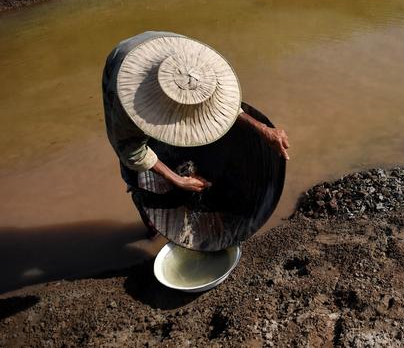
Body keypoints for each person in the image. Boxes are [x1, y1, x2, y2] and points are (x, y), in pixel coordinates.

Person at [102, 31, 289, 237]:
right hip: (123, 65)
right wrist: (177, 180)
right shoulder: (123, 101)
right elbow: (131, 151)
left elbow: (222, 106)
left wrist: (262, 128)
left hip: (166, 51)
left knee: (191, 126)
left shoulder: (200, 69)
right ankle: (150, 220)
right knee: (135, 173)